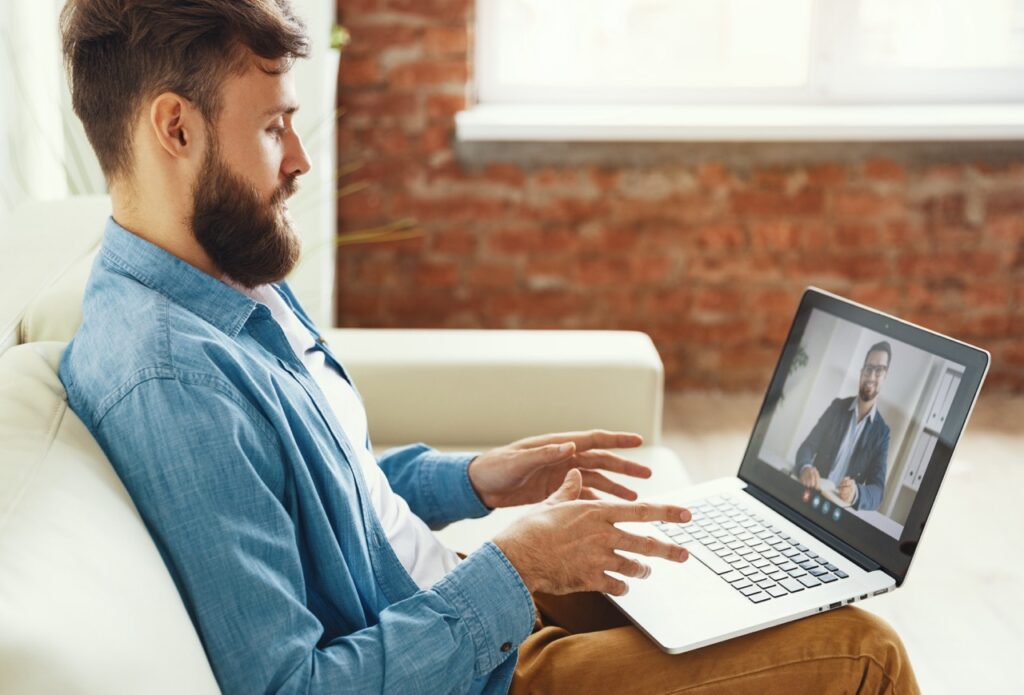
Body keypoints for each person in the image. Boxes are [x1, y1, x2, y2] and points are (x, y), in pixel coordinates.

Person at [57, 1, 919, 692]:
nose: (302, 161)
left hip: (442, 600)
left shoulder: (228, 273)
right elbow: (294, 686)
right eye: (275, 126)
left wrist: (472, 480)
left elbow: (321, 497)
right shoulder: (171, 377)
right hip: (471, 667)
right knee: (862, 654)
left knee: (741, 577)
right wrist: (519, 562)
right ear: (176, 128)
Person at [795, 343, 893, 511]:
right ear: (862, 372)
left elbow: (878, 491)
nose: (871, 376)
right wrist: (805, 467)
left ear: (885, 376)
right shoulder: (837, 407)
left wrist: (856, 493)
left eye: (879, 370)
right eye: (868, 368)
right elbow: (808, 446)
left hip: (841, 511)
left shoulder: (882, 433)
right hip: (813, 498)